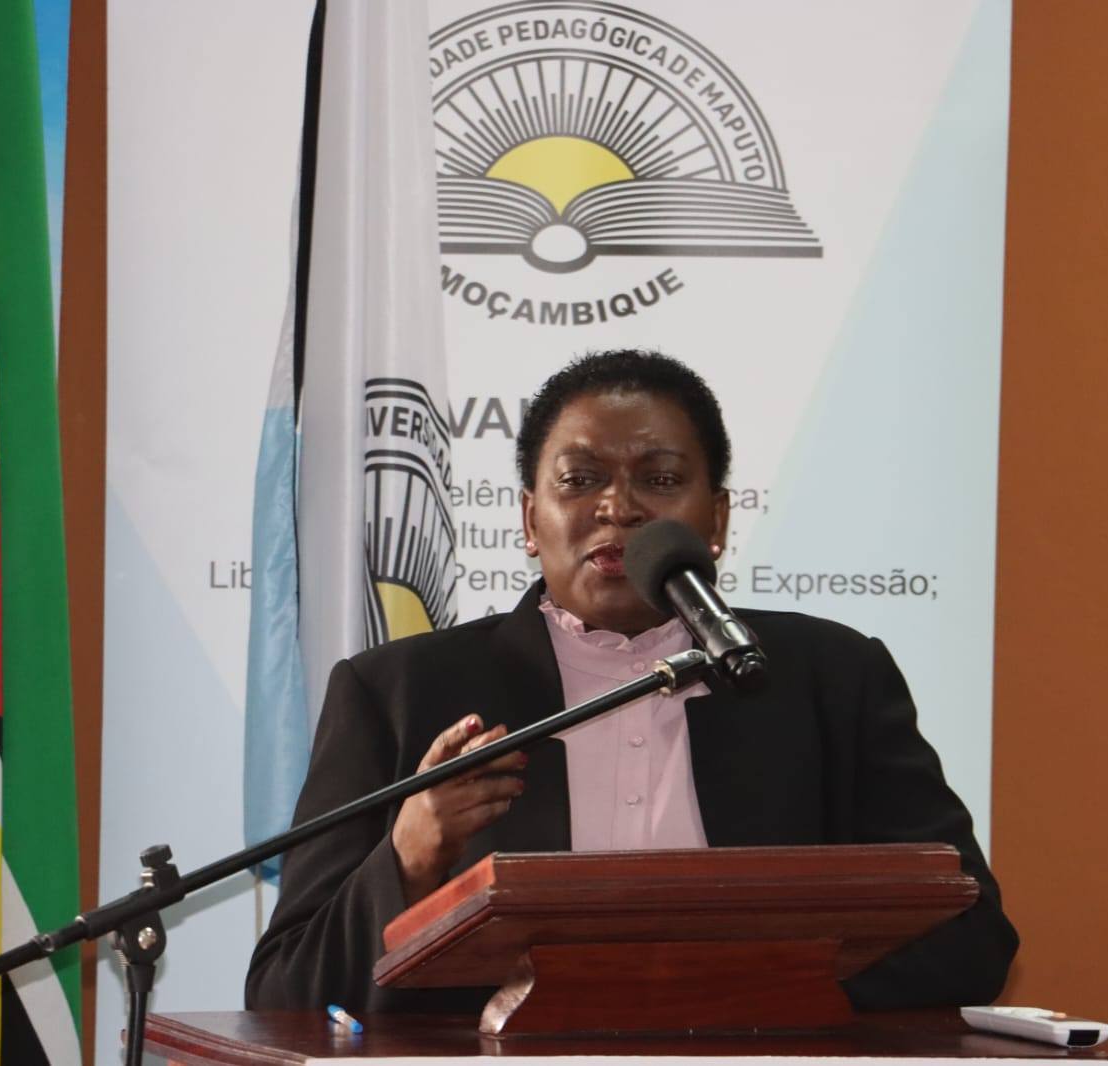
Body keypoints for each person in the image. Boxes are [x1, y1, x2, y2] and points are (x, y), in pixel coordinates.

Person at [246, 350, 1017, 1013]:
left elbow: (973, 936)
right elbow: (287, 990)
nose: (617, 506)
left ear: (716, 520)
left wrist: (757, 995)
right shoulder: (399, 692)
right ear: (529, 520)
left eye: (661, 477)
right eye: (580, 479)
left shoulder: (831, 679)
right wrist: (408, 858)